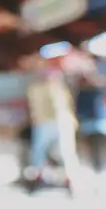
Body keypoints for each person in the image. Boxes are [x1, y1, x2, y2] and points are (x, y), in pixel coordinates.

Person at [23, 61, 79, 190]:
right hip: (46, 122)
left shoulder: (57, 88)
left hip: (58, 121)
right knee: (42, 151)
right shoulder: (37, 88)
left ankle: (68, 178)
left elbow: (65, 106)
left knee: (64, 151)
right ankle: (40, 176)